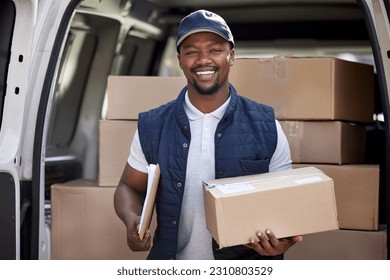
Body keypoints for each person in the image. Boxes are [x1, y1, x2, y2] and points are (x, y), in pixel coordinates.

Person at [114, 9, 302, 260]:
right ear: (180, 59)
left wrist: (282, 242)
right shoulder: (153, 125)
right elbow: (128, 186)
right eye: (192, 51)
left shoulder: (266, 125)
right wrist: (132, 220)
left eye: (215, 50)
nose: (204, 60)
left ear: (231, 56)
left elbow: (286, 205)